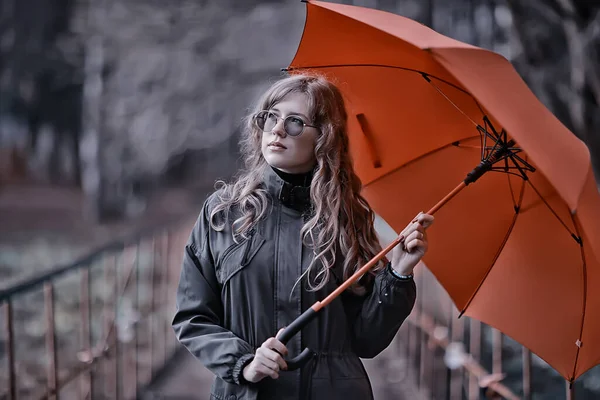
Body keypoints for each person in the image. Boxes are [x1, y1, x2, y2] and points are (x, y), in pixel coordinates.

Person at [172, 73, 434, 400]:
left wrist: (399, 273)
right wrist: (243, 362)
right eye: (271, 117)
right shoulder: (224, 213)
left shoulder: (349, 218)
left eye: (295, 122)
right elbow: (193, 316)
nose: (278, 130)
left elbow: (368, 340)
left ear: (324, 137)